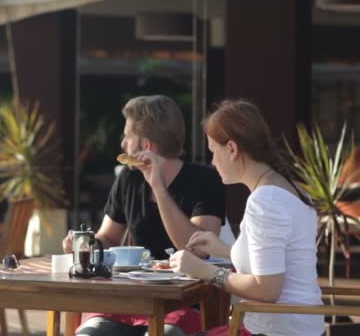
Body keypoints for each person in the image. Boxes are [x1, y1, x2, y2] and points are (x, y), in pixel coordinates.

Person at [62, 95, 226, 336]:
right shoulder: (129, 178)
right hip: (129, 299)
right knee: (90, 333)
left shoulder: (205, 180)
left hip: (182, 302)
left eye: (128, 137)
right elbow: (108, 238)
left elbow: (196, 249)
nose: (123, 144)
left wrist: (158, 187)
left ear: (147, 146)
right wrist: (84, 243)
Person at [169, 99, 323, 336]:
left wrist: (205, 271)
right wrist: (223, 249)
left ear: (232, 149)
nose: (211, 162)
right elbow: (276, 259)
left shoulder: (266, 201)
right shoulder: (287, 188)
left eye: (213, 152)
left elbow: (267, 289)